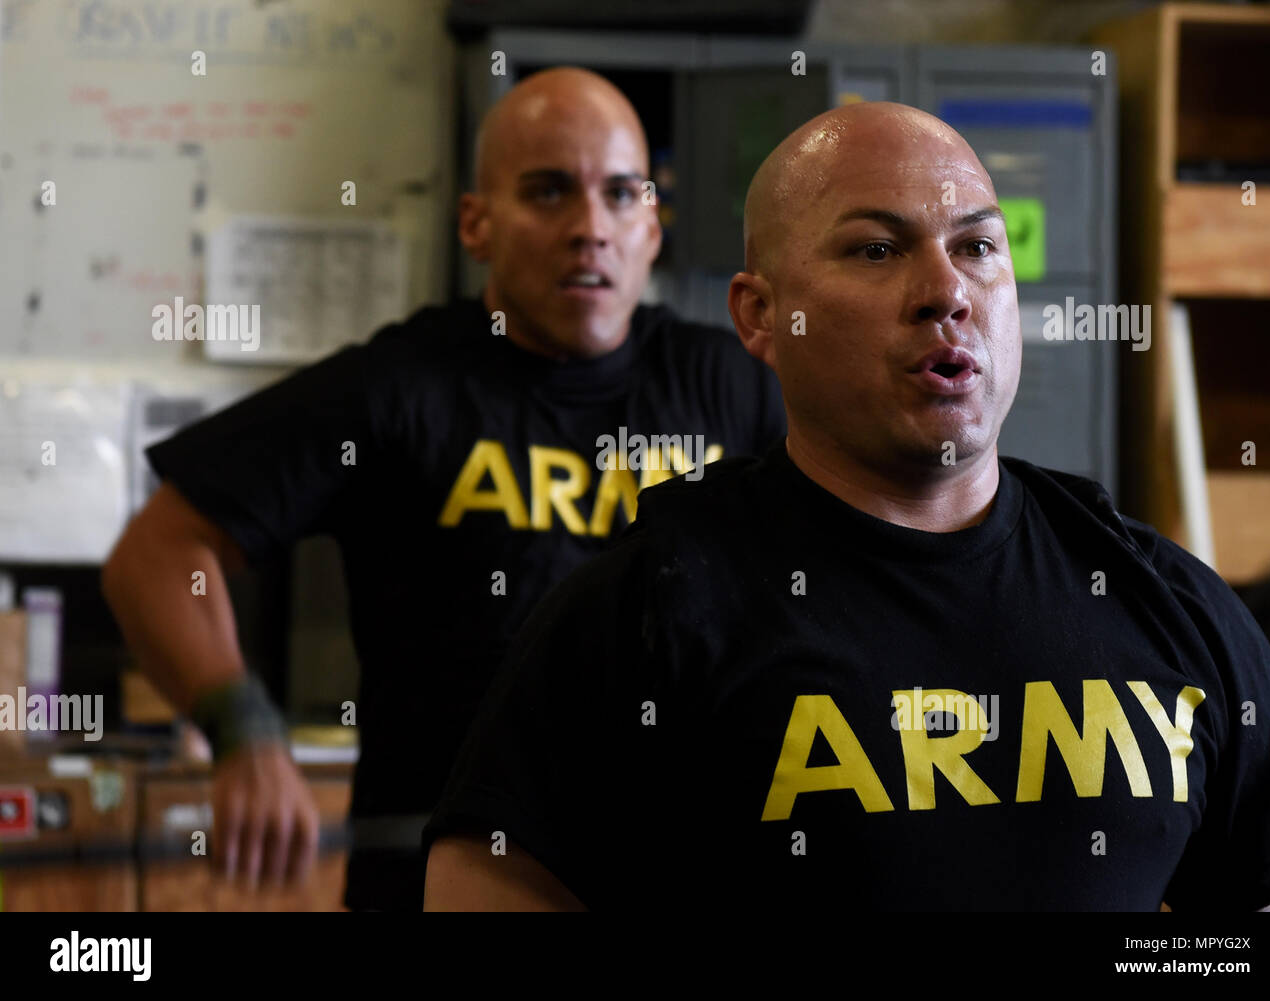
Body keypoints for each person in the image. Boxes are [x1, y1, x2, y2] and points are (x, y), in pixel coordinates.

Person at [421, 101, 1270, 912]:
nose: (945, 290)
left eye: (978, 247)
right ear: (762, 315)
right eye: (877, 249)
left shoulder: (1164, 601)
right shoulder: (643, 616)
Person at [101, 67, 785, 911]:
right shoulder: (397, 389)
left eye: (621, 194)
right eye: (548, 193)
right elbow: (158, 555)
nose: (590, 229)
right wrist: (242, 730)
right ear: (476, 223)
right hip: (437, 884)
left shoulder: (738, 385)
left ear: (652, 223)